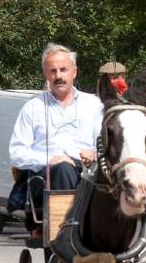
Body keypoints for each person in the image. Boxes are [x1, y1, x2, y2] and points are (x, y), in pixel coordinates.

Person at [9, 42, 103, 236]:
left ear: (74, 72)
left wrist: (95, 153)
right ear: (46, 74)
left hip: (89, 174)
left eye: (63, 70)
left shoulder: (93, 104)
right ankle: (66, 235)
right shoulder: (33, 107)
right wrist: (50, 160)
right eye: (53, 71)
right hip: (47, 178)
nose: (58, 76)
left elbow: (109, 145)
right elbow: (17, 154)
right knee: (62, 169)